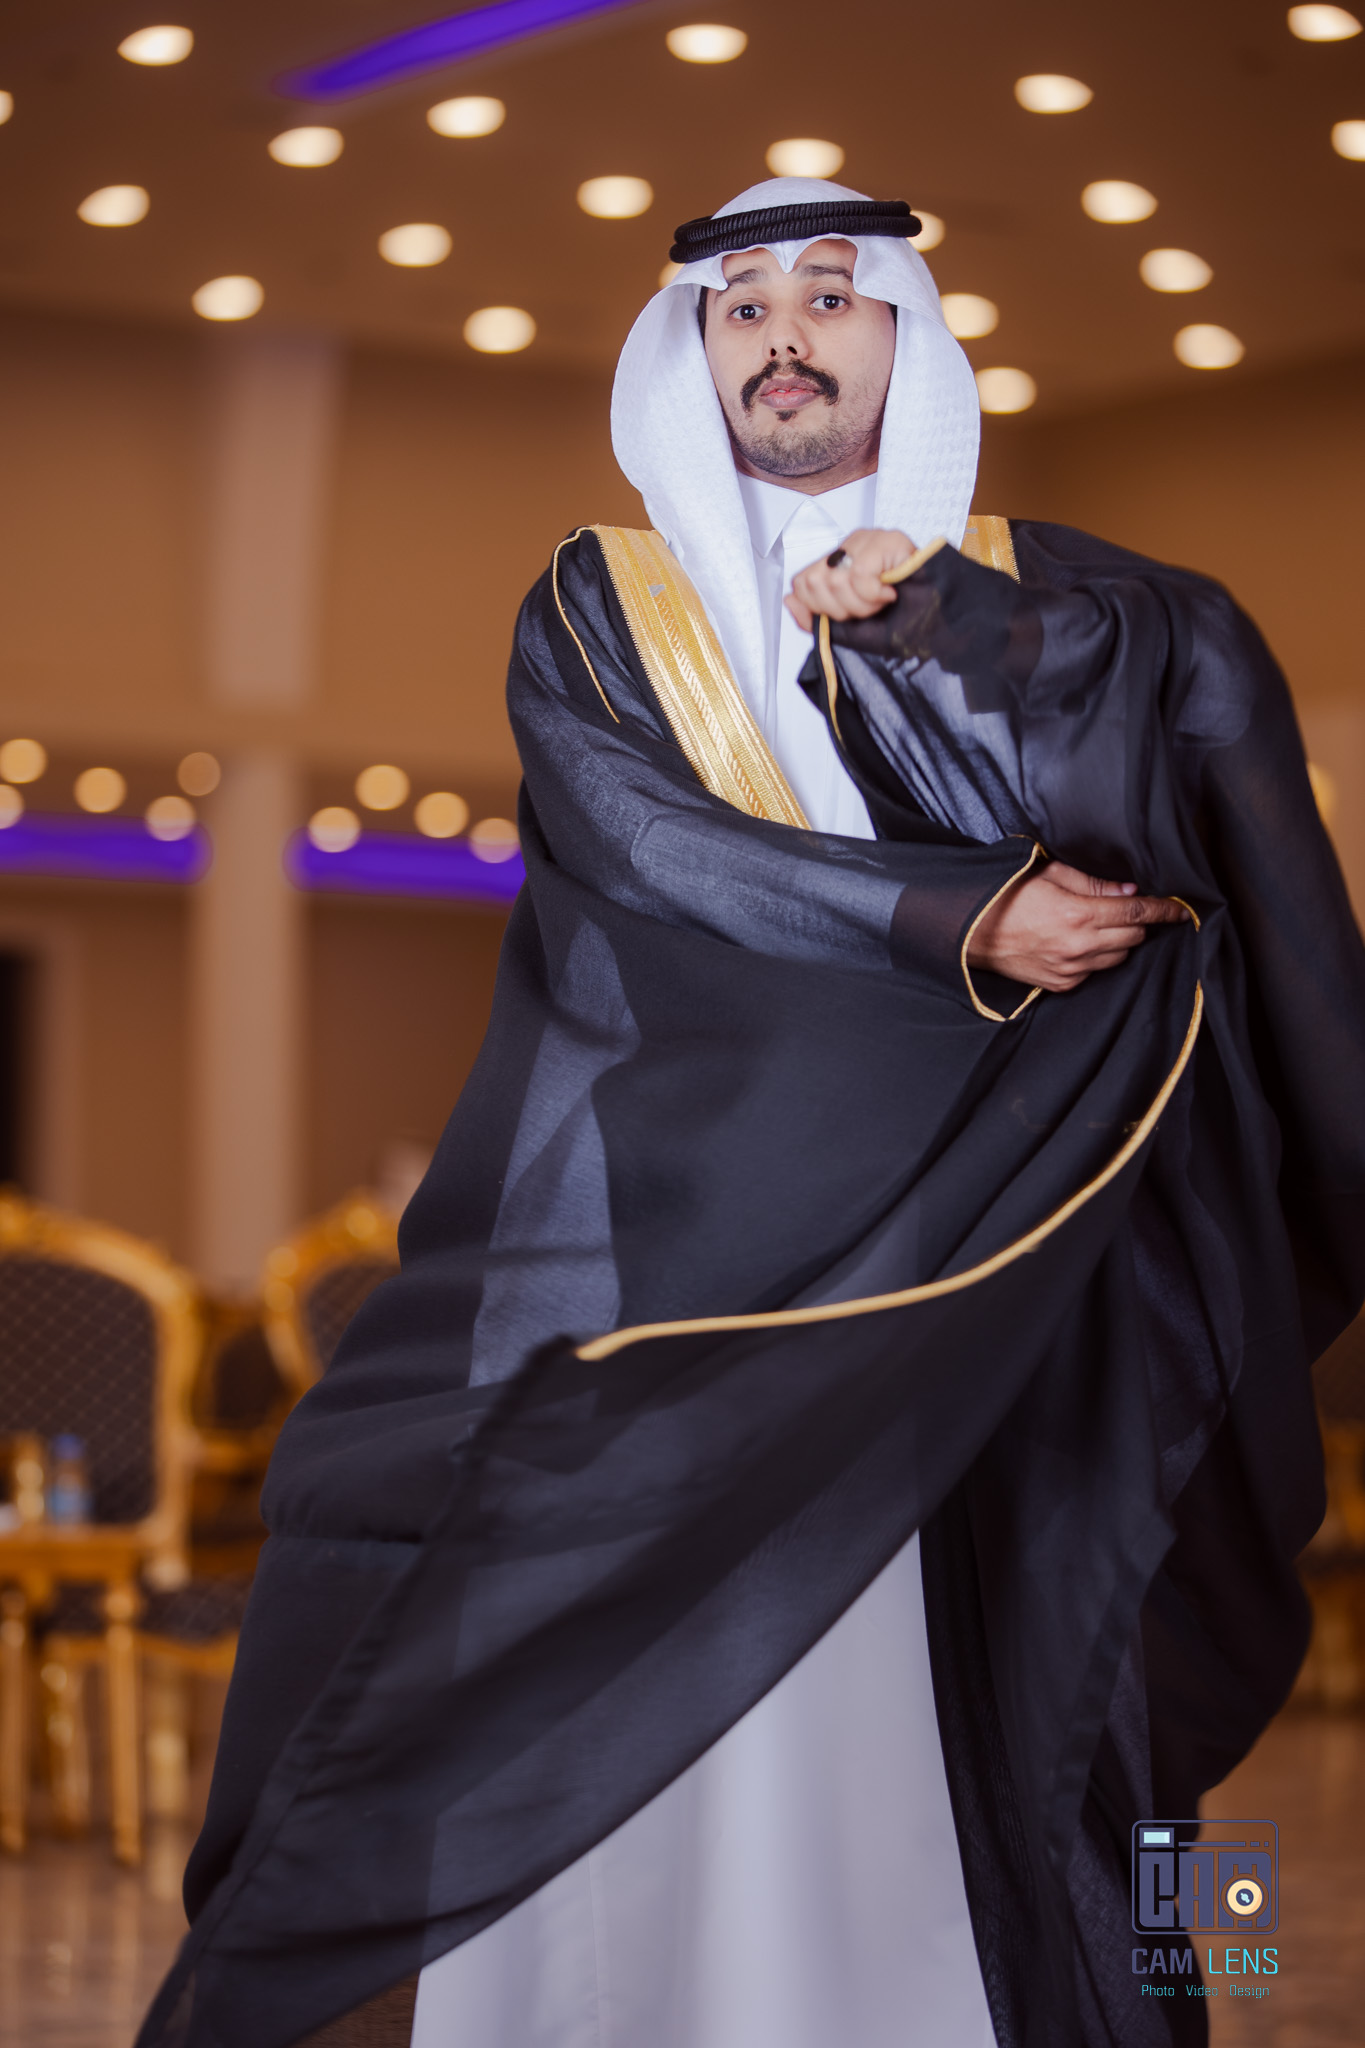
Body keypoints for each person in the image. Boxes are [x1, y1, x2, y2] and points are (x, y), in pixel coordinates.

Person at [138, 180, 1365, 2048]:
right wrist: (961, 920)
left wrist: (940, 621)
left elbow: (1182, 728)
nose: (783, 336)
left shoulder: (1054, 601)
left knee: (1085, 1701)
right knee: (393, 1517)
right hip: (687, 1247)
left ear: (904, 335)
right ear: (691, 355)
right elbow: (650, 848)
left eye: (830, 296)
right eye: (741, 309)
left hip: (993, 1265)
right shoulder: (600, 603)